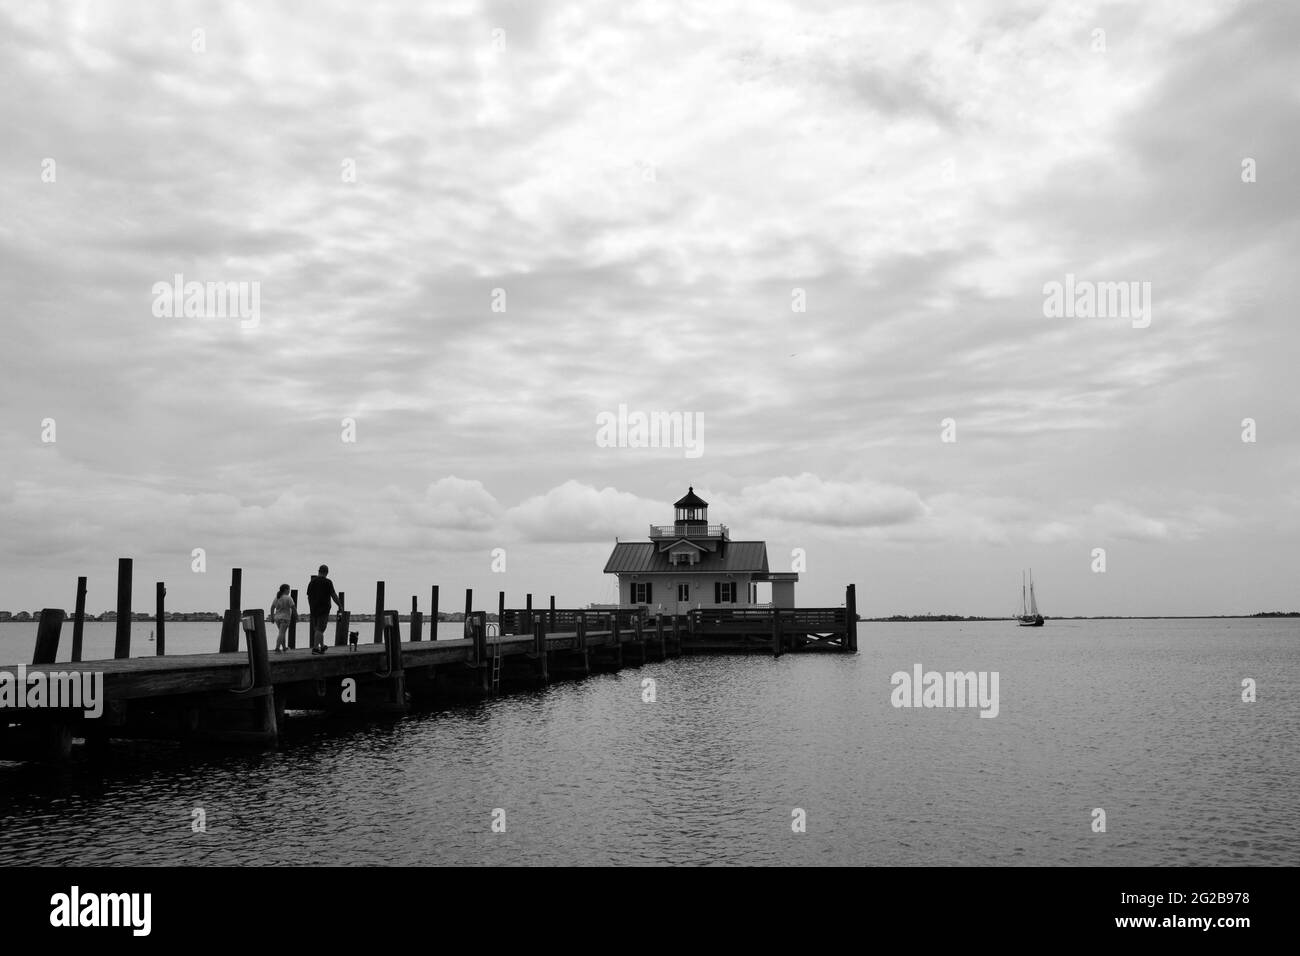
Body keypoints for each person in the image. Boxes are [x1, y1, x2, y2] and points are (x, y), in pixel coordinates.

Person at [306, 565, 341, 654]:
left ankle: (322, 647)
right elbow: (333, 595)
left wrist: (311, 606)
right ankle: (315, 649)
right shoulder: (328, 582)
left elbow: (308, 596)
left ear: (319, 571)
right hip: (324, 608)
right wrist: (340, 605)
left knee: (317, 628)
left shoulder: (312, 582)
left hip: (313, 608)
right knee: (320, 629)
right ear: (327, 572)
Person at [269, 584, 296, 653]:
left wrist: (272, 617)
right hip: (285, 618)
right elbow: (293, 607)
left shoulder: (277, 598)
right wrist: (296, 616)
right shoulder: (288, 598)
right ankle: (277, 648)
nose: (289, 591)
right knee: (282, 633)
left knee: (282, 633)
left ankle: (284, 648)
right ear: (286, 590)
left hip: (277, 618)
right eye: (288, 589)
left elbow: (272, 607)